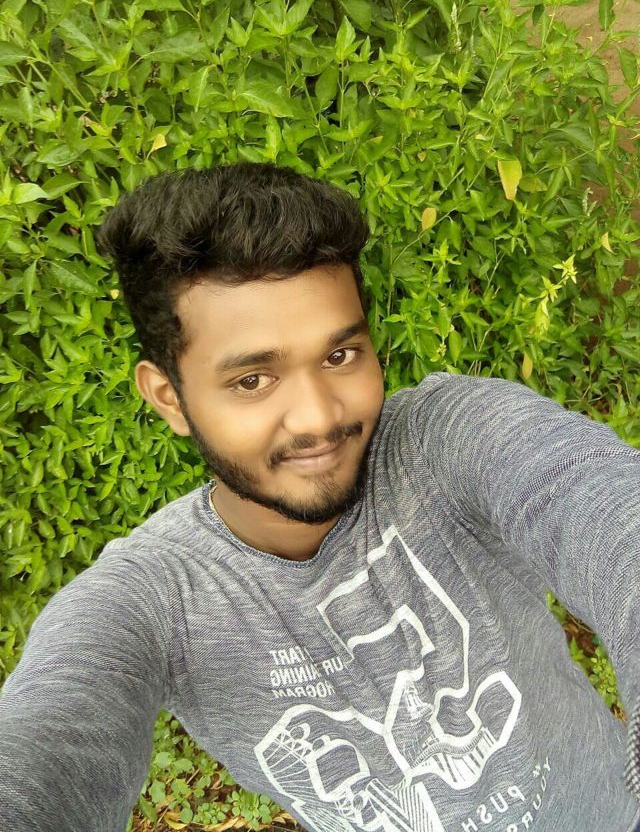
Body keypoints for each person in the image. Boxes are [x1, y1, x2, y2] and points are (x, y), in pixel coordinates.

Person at [0, 162, 638, 832]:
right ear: (169, 397)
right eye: (252, 379)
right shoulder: (157, 597)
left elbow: (602, 506)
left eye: (339, 356)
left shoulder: (447, 441)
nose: (317, 416)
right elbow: (49, 741)